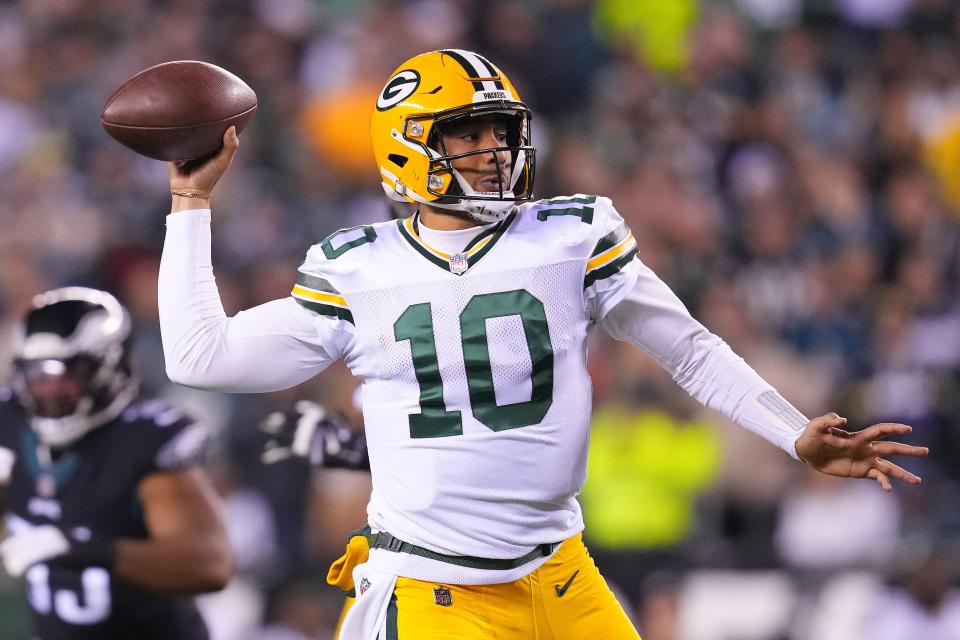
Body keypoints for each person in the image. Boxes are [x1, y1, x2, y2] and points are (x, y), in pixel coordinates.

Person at [158, 49, 928, 639]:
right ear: (407, 147)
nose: (494, 152)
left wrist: (793, 433)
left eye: (501, 132)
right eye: (468, 135)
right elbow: (198, 356)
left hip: (561, 571)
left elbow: (688, 349)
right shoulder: (357, 270)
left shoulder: (570, 236)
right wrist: (191, 203)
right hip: (436, 594)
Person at [0, 287, 232, 639]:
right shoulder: (10, 421)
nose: (50, 390)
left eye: (68, 374)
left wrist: (82, 549)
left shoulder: (141, 440)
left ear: (111, 367)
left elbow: (209, 564)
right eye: (38, 375)